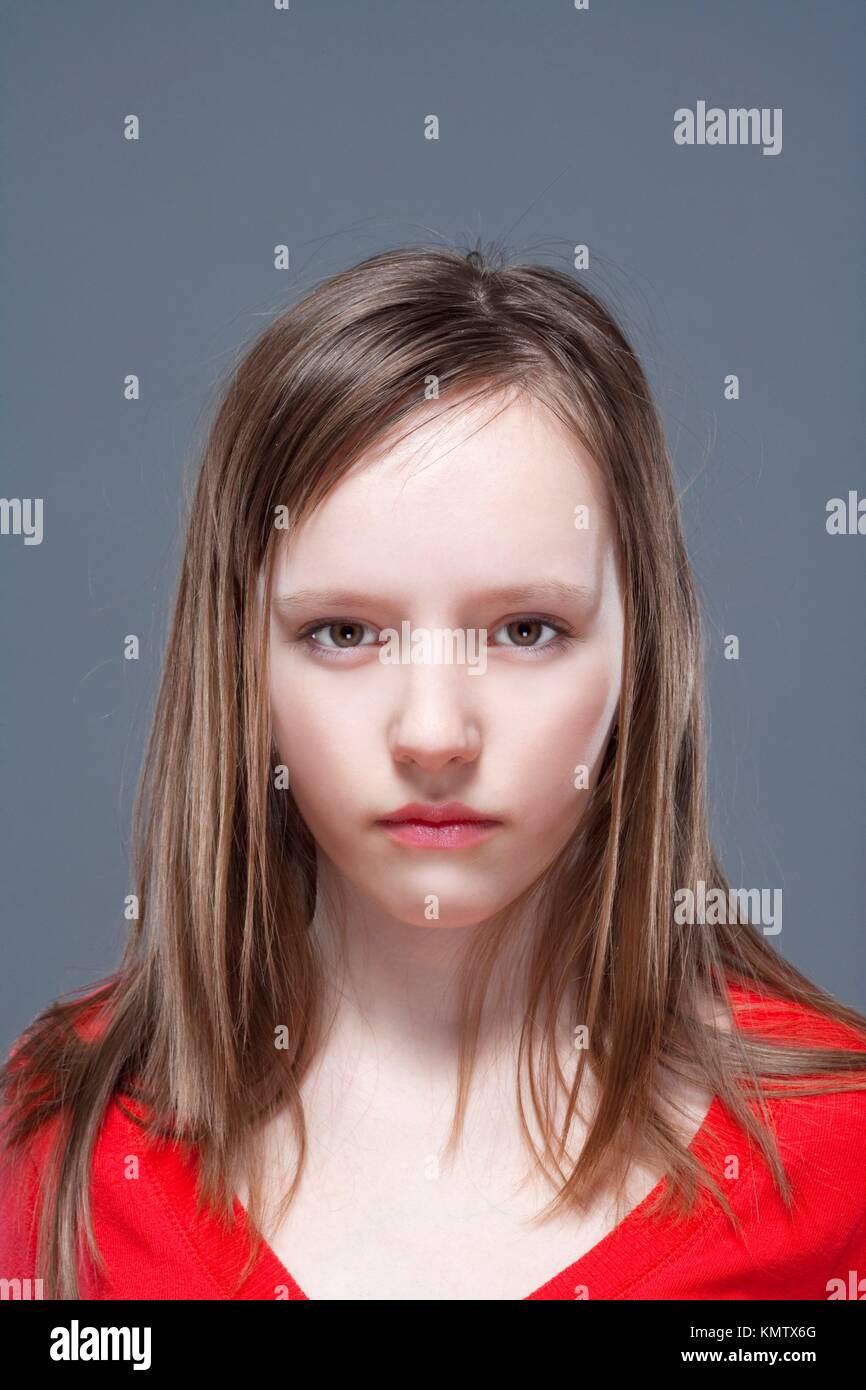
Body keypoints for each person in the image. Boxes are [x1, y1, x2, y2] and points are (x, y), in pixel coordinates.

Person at [2, 244, 865, 1301]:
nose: (433, 733)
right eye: (344, 632)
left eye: (524, 628)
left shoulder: (839, 1164)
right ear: (242, 667)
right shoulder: (63, 1138)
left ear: (641, 653)